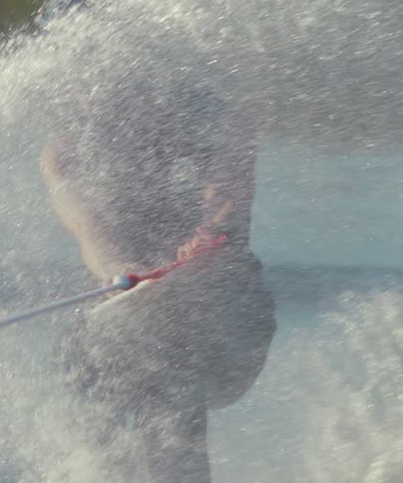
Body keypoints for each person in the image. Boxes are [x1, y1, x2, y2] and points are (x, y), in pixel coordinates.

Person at [41, 73, 276, 483]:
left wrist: (206, 234)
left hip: (231, 328)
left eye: (96, 67)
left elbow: (229, 190)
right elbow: (84, 223)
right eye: (76, 67)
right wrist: (118, 268)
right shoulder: (65, 151)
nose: (85, 82)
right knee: (78, 354)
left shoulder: (213, 120)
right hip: (123, 320)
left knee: (161, 340)